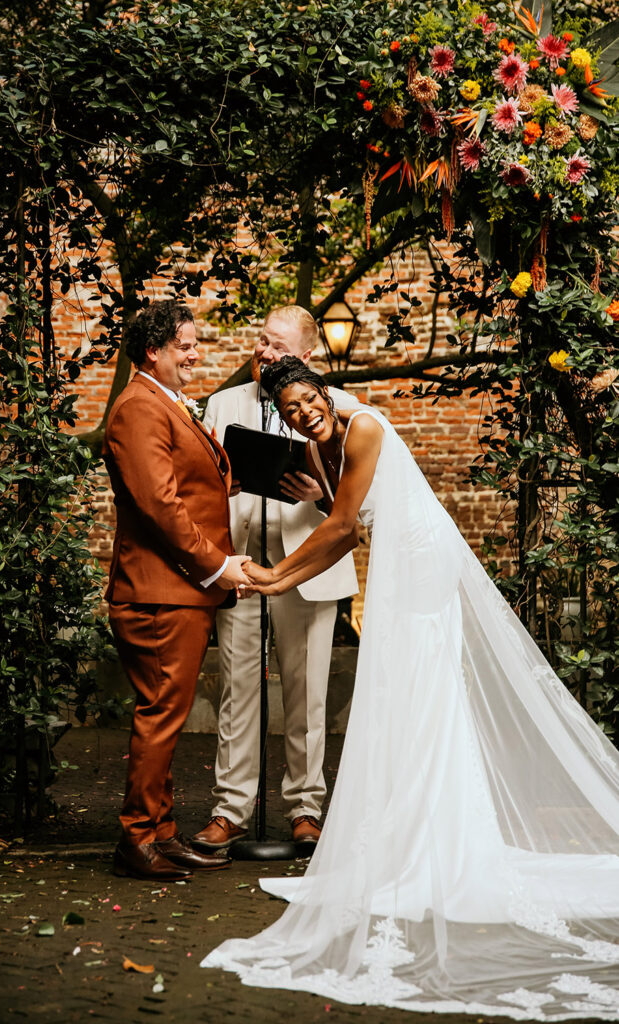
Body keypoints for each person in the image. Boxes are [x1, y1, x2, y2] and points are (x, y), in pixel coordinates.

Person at [202, 356, 619, 1019]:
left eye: (308, 400)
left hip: (422, 562)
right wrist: (307, 511)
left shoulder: (360, 427)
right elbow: (346, 524)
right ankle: (412, 834)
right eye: (289, 410)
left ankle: (433, 841)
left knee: (420, 693)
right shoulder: (318, 443)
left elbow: (341, 528)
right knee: (405, 701)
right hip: (391, 557)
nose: (303, 413)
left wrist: (275, 579)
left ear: (325, 392)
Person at [191, 306, 359, 854]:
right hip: (239, 563)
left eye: (278, 345)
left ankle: (306, 808)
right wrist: (227, 485)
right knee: (238, 690)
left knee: (307, 692)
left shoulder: (338, 410)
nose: (264, 352)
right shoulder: (222, 404)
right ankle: (230, 810)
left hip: (307, 567)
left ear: (307, 357)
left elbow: (358, 504)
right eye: (261, 341)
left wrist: (322, 494)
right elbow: (196, 485)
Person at [103, 300, 252, 881]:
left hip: (177, 591)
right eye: (184, 344)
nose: (195, 353)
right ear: (152, 352)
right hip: (159, 592)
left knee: (167, 710)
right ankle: (136, 838)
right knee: (162, 714)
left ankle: (161, 834)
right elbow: (162, 506)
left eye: (194, 343)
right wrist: (218, 566)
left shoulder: (164, 403)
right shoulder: (139, 408)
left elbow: (194, 485)